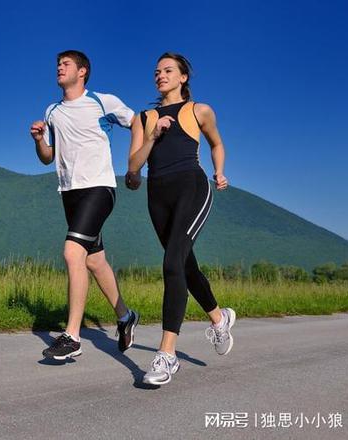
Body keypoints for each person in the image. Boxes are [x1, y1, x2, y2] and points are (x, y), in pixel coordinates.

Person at [125, 52, 236, 385]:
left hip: (192, 186)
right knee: (185, 265)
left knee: (172, 263)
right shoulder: (143, 118)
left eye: (168, 70)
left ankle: (167, 355)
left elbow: (217, 144)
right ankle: (219, 319)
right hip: (157, 195)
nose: (160, 75)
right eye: (157, 71)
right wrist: (153, 136)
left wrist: (219, 172)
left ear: (183, 77)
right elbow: (133, 168)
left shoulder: (199, 111)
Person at [30, 50, 139, 360]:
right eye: (57, 65)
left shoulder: (103, 101)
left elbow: (138, 122)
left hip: (99, 188)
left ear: (82, 72)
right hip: (70, 192)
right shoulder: (52, 111)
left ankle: (72, 336)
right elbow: (48, 157)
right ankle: (125, 316)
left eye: (65, 64)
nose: (59, 68)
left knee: (72, 252)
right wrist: (38, 140)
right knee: (93, 260)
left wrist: (135, 166)